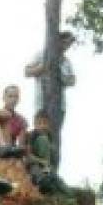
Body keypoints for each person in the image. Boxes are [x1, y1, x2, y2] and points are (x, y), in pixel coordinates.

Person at [24, 30, 76, 169]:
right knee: (41, 135)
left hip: (60, 106)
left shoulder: (67, 61)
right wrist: (44, 66)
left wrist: (61, 75)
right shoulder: (42, 54)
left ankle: (53, 169)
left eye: (69, 44)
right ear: (58, 40)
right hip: (42, 102)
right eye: (65, 42)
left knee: (55, 136)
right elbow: (27, 71)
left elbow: (72, 80)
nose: (67, 46)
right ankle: (39, 167)